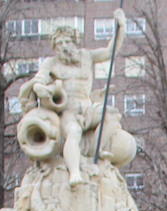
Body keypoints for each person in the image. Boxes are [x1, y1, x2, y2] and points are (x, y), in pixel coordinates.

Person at [25, 10, 126, 186]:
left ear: (74, 42)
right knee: (73, 132)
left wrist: (121, 26)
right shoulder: (51, 63)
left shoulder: (87, 56)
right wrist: (41, 89)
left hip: (87, 107)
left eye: (67, 41)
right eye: (59, 43)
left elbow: (111, 51)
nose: (63, 46)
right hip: (68, 109)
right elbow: (38, 82)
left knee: (111, 116)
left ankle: (97, 151)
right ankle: (74, 173)